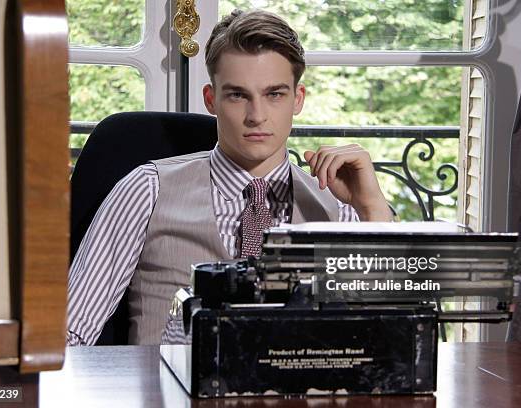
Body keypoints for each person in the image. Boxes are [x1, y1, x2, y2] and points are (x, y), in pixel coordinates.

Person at [67, 9, 392, 346]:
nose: (256, 116)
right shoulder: (147, 189)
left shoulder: (340, 209)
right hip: (165, 393)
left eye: (274, 95)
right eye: (238, 95)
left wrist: (373, 211)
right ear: (212, 99)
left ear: (297, 100)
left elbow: (384, 345)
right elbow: (70, 333)